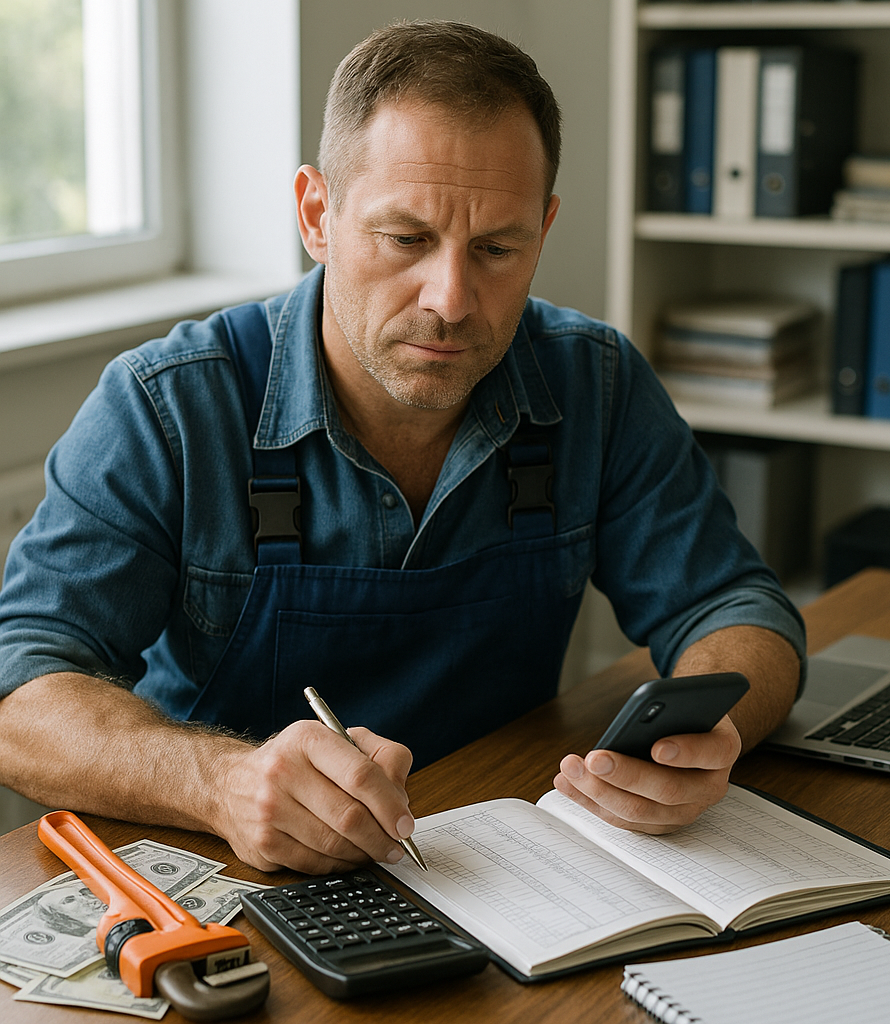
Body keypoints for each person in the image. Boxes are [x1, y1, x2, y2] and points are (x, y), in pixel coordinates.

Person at [0, 21, 804, 875]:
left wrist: (713, 732)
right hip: (234, 879)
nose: (451, 300)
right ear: (317, 213)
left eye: (498, 248)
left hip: (506, 865)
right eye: (407, 239)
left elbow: (734, 605)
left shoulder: (593, 383)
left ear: (545, 227)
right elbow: (21, 697)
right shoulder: (168, 404)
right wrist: (221, 781)